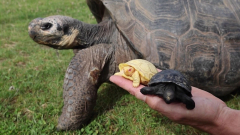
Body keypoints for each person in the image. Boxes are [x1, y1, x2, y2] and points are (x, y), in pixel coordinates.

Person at [110, 74, 240, 135]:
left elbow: (189, 101)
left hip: (178, 86)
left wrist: (220, 116)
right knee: (146, 90)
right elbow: (146, 89)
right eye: (168, 99)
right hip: (162, 82)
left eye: (169, 99)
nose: (168, 101)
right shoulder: (157, 88)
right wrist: (221, 117)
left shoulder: (181, 94)